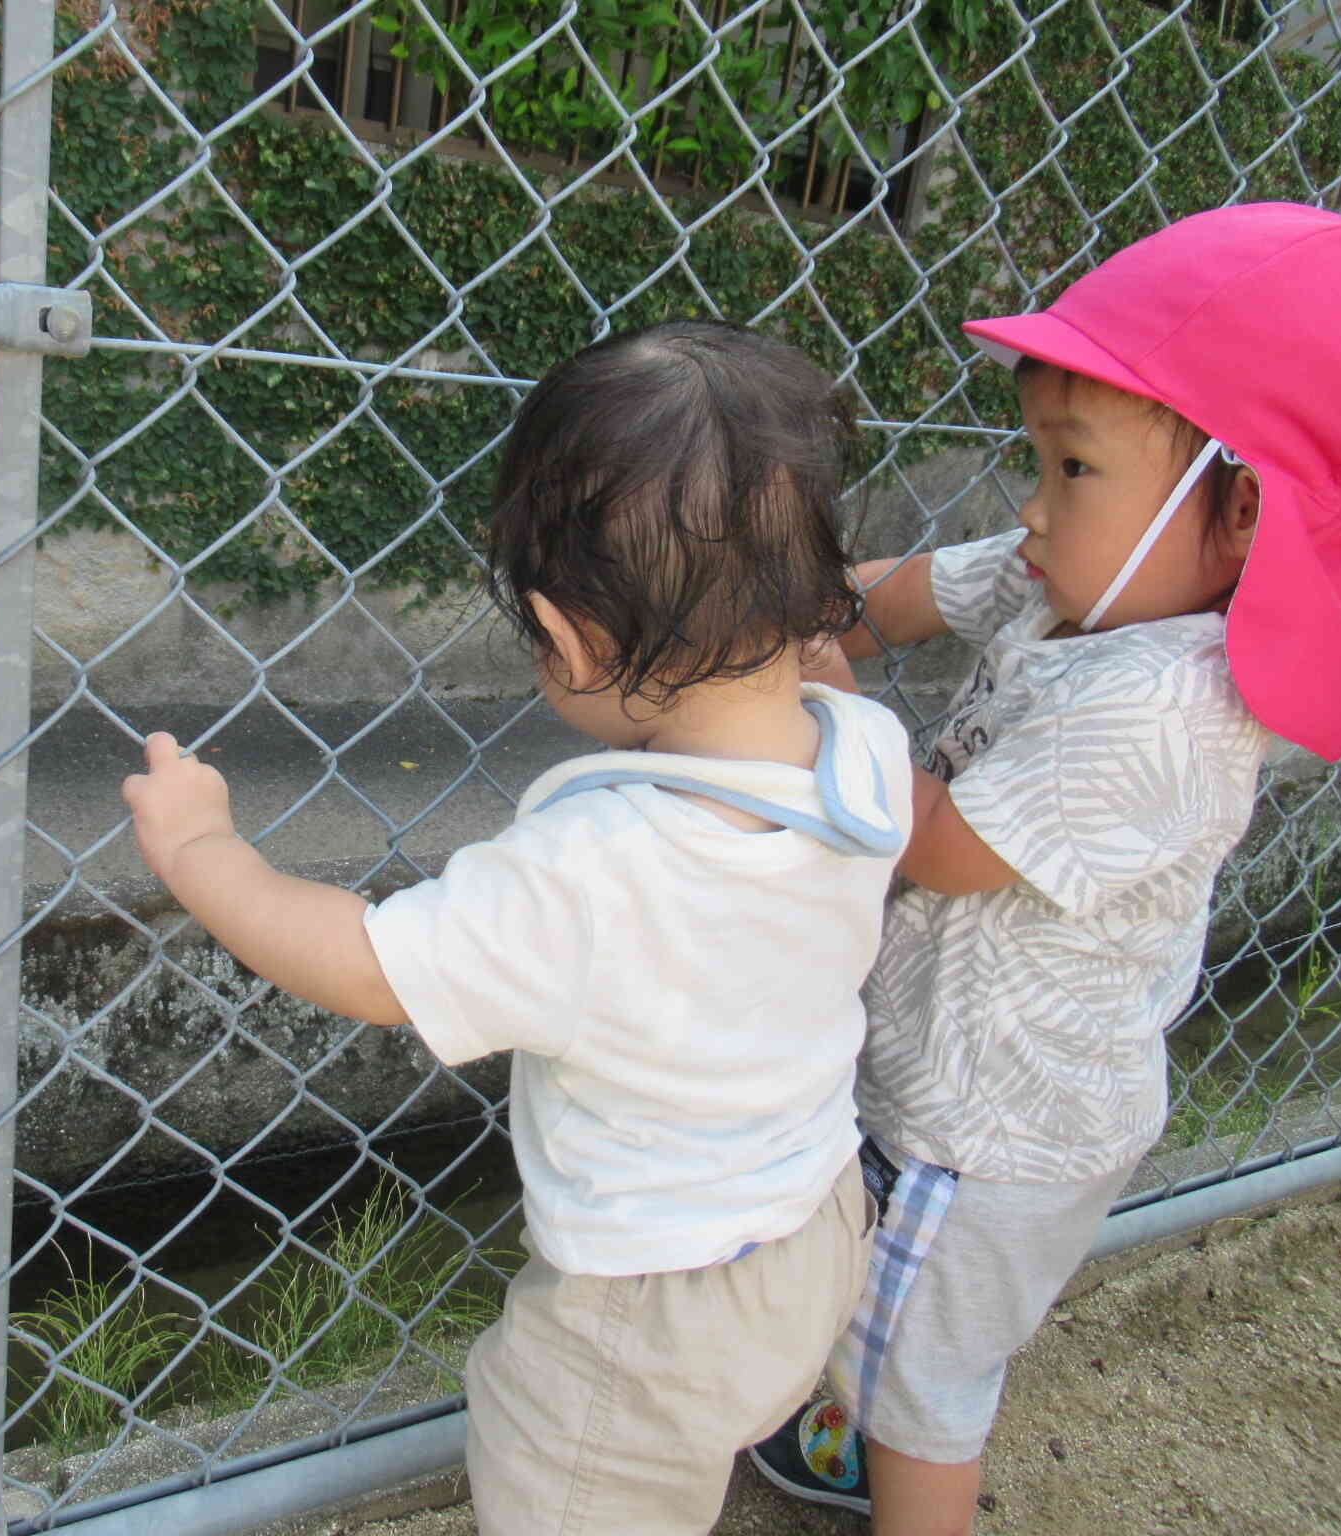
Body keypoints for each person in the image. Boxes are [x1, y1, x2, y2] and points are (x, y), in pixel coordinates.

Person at [744, 203, 1341, 1534]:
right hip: (950, 1068)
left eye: (1072, 468)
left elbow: (941, 844)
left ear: (1241, 509)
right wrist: (797, 606)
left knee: (929, 1383)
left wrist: (806, 703)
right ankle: (836, 1420)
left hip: (998, 1127)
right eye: (1038, 460)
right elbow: (900, 591)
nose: (1032, 506)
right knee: (879, 1293)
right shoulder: (1076, 578)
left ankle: (906, 1488)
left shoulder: (1168, 706)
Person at [122, 320, 915, 1534]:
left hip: (645, 1312)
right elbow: (813, 664)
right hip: (812, 1235)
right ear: (812, 596)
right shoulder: (862, 755)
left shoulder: (591, 872)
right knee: (678, 1473)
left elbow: (367, 963)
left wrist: (201, 851)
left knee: (574, 1481)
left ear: (565, 638)